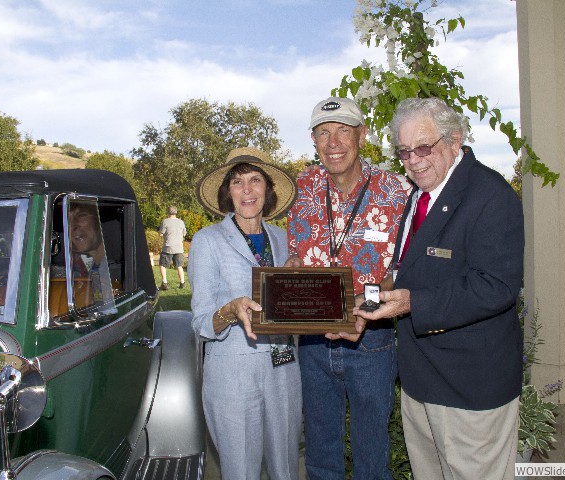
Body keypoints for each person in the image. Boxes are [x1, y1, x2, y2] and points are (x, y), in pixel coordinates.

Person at [352, 97, 524, 480]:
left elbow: (497, 286)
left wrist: (414, 303)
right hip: (421, 379)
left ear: (455, 140)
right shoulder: (420, 194)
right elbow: (405, 270)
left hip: (470, 385)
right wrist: (366, 307)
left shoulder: (490, 195)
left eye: (424, 147)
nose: (413, 160)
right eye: (404, 151)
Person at [286, 96, 411, 479]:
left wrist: (366, 308)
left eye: (343, 130)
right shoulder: (301, 188)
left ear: (362, 134)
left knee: (372, 452)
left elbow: (402, 268)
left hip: (370, 340)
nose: (333, 142)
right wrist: (284, 285)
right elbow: (294, 255)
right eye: (324, 133)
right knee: (322, 452)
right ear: (313, 140)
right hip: (312, 341)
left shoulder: (396, 191)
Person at [188, 146, 301, 480]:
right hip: (232, 375)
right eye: (238, 182)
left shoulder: (282, 241)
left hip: (284, 369)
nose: (247, 190)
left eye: (255, 180)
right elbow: (201, 323)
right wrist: (231, 309)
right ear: (228, 192)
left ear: (267, 189)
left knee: (286, 469)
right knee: (241, 471)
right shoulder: (207, 241)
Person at [68, 202, 114, 309]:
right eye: (67, 220)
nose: (74, 226)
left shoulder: (119, 267)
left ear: (98, 221)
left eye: (81, 216)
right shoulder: (73, 266)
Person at [158, 205, 187, 290]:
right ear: (176, 212)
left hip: (168, 247)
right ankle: (182, 283)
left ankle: (164, 283)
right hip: (179, 247)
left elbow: (161, 234)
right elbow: (184, 234)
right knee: (179, 266)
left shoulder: (165, 221)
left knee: (162, 265)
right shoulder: (181, 222)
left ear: (168, 212)